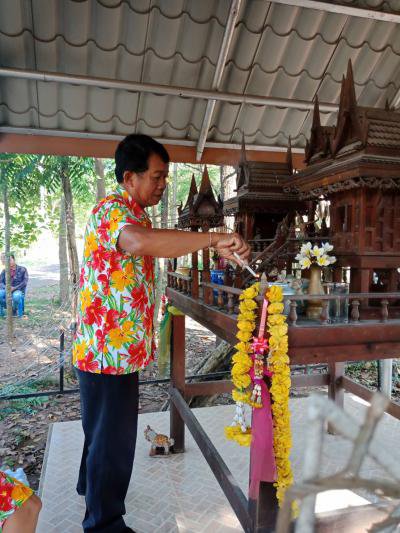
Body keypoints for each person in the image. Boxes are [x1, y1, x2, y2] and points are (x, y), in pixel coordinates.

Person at [73, 133, 251, 533]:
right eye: (156, 176)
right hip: (107, 352)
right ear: (129, 177)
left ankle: (90, 487)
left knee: (100, 431)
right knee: (112, 439)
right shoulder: (111, 211)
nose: (162, 185)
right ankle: (103, 525)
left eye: (165, 177)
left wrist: (211, 244)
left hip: (113, 349)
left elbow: (150, 241)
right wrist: (213, 237)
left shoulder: (137, 215)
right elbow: (139, 242)